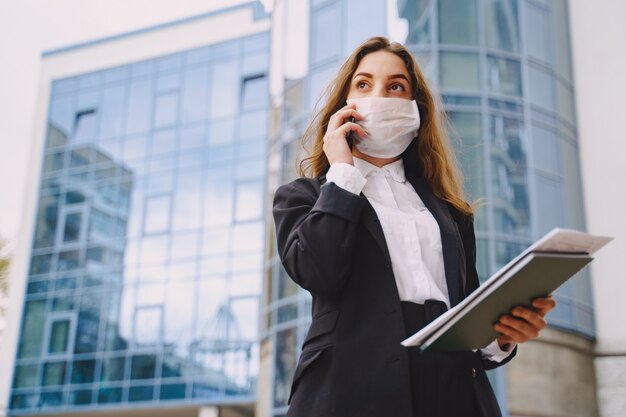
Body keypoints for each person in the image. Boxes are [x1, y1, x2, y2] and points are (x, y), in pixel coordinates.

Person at [272, 36, 555, 417]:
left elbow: (467, 315)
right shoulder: (303, 196)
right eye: (364, 84)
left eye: (395, 86)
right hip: (349, 392)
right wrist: (341, 172)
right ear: (344, 107)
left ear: (414, 107)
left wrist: (500, 337)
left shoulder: (452, 213)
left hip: (455, 393)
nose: (380, 95)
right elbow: (317, 271)